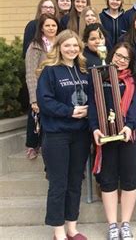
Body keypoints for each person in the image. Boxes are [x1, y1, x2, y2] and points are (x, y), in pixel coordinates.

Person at [36, 29, 90, 240]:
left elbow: (94, 98)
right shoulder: (50, 71)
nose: (72, 49)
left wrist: (89, 111)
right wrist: (70, 111)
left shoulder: (84, 71)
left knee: (76, 181)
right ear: (59, 47)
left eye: (75, 45)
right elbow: (45, 101)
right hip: (57, 134)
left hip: (80, 135)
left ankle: (72, 228)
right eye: (67, 45)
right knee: (59, 183)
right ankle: (58, 232)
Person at [89, 42, 136, 240]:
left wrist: (129, 125)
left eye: (125, 58)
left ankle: (125, 224)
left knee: (129, 179)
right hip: (106, 137)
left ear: (130, 61)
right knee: (108, 179)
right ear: (111, 55)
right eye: (118, 56)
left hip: (130, 135)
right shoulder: (99, 77)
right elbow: (93, 105)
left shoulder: (135, 79)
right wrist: (95, 127)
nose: (120, 60)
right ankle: (113, 225)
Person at [24, 13, 59, 159]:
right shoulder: (35, 46)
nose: (51, 28)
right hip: (42, 91)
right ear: (42, 28)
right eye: (47, 25)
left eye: (53, 25)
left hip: (59, 90)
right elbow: (31, 74)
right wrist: (34, 99)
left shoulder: (61, 43)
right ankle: (36, 147)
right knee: (43, 127)